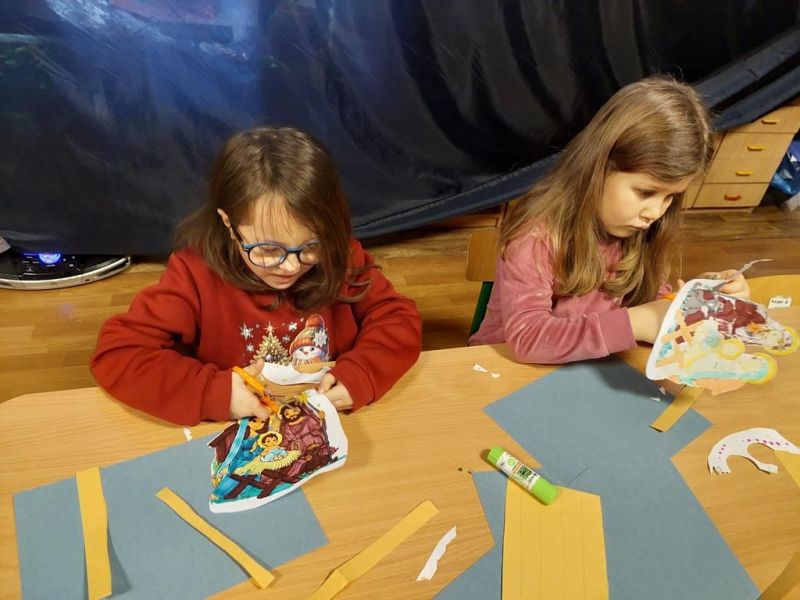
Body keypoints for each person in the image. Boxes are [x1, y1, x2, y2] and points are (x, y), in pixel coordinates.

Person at [91, 127, 422, 425]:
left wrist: (363, 372)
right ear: (228, 223)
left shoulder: (340, 254)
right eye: (267, 249)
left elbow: (397, 318)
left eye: (310, 246)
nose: (290, 266)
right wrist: (213, 393)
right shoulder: (195, 273)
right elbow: (118, 354)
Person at [469, 76, 749, 364]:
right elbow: (528, 339)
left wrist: (694, 297)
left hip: (585, 367)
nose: (655, 212)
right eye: (645, 192)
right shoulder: (536, 236)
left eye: (670, 197)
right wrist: (638, 321)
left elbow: (648, 299)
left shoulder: (641, 229)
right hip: (502, 368)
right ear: (599, 167)